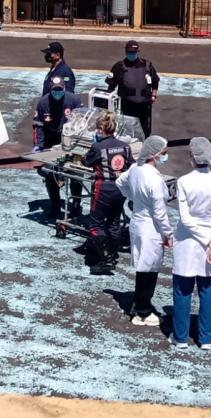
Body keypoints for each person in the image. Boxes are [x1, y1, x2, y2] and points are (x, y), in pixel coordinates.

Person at [169, 137, 211, 350]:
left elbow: (186, 220)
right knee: (207, 289)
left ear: (192, 157)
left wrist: (206, 241)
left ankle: (180, 337)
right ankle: (205, 338)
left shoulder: (184, 181)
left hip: (187, 241)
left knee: (182, 289)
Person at [116, 135, 172, 326]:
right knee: (150, 270)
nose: (165, 157)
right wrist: (168, 234)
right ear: (154, 155)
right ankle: (143, 311)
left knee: (143, 267)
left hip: (138, 223)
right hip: (151, 228)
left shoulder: (135, 168)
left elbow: (120, 183)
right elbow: (160, 212)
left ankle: (139, 304)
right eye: (163, 153)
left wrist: (132, 196)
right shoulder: (154, 179)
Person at [80, 112, 134, 275]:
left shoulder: (97, 147)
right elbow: (130, 164)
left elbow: (86, 161)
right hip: (120, 188)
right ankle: (113, 253)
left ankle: (105, 259)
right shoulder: (125, 146)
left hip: (103, 188)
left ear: (102, 129)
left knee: (95, 224)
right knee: (114, 222)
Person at [33, 77, 83, 219]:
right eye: (54, 90)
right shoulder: (43, 103)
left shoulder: (73, 101)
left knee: (75, 173)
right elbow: (38, 126)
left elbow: (82, 123)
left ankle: (76, 205)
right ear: (50, 89)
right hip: (51, 141)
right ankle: (54, 206)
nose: (57, 93)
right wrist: (38, 145)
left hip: (70, 140)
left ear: (64, 89)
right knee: (50, 174)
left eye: (59, 90)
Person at [105, 40, 159, 136]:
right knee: (126, 130)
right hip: (126, 106)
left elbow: (155, 81)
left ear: (137, 52)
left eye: (133, 52)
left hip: (144, 105)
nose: (131, 54)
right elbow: (111, 86)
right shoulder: (119, 66)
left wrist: (154, 95)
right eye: (129, 52)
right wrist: (110, 104)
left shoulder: (147, 65)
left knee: (145, 131)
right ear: (126, 52)